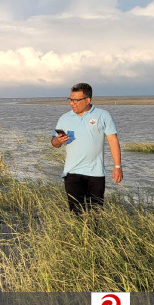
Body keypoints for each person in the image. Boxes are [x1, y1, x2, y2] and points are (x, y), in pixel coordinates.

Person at [51, 83, 123, 214]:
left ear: (88, 100)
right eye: (70, 100)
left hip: (95, 173)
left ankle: (94, 234)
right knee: (76, 213)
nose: (72, 103)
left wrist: (117, 167)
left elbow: (113, 141)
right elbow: (54, 143)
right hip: (72, 172)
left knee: (96, 213)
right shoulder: (64, 118)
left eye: (76, 100)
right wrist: (58, 140)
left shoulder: (103, 115)